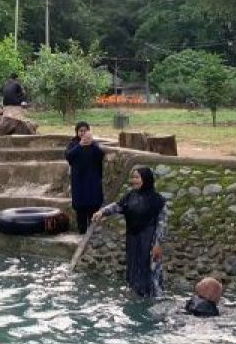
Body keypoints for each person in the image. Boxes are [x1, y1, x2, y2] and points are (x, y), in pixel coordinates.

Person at [92, 167, 168, 298]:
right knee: (133, 268)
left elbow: (162, 224)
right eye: (133, 177)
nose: (134, 180)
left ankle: (152, 299)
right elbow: (118, 206)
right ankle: (135, 295)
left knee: (150, 271)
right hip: (133, 239)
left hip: (149, 242)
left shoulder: (158, 200)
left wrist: (158, 244)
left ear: (146, 179)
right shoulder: (130, 196)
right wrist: (102, 212)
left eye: (137, 177)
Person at [66, 122, 106, 234]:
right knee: (80, 210)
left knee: (93, 209)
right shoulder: (73, 144)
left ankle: (92, 235)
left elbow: (100, 155)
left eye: (85, 131)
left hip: (93, 182)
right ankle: (82, 233)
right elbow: (69, 157)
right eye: (80, 131)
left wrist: (91, 144)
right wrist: (80, 145)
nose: (83, 133)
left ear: (89, 131)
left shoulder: (94, 145)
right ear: (77, 132)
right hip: (79, 183)